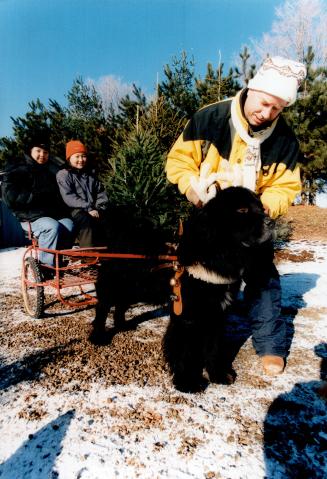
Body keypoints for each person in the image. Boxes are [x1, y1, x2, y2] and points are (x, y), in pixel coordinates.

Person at [165, 56, 307, 377]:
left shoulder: (284, 139)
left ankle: (270, 346)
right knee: (198, 289)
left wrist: (265, 208)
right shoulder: (210, 118)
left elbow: (284, 186)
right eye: (265, 103)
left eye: (277, 108)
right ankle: (188, 348)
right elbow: (180, 162)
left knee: (264, 279)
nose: (267, 113)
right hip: (208, 219)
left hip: (250, 222)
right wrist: (192, 188)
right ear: (252, 88)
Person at [2, 134, 74, 271]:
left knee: (69, 224)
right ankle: (46, 266)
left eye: (46, 152)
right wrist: (34, 196)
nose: (42, 155)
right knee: (51, 226)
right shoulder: (18, 169)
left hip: (50, 213)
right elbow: (9, 197)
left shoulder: (52, 170)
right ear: (30, 151)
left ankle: (58, 260)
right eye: (38, 151)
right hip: (29, 216)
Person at [56, 140, 109, 247]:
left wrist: (99, 208)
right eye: (77, 156)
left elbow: (100, 192)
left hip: (93, 208)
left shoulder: (90, 174)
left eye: (83, 156)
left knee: (108, 218)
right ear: (69, 158)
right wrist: (88, 208)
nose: (81, 160)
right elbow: (69, 197)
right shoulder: (64, 174)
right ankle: (88, 256)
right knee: (87, 220)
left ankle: (109, 253)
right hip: (73, 211)